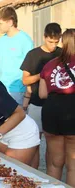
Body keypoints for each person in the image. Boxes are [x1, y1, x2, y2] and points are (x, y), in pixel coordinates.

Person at [20, 23, 62, 169]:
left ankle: (49, 174)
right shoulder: (33, 55)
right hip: (37, 104)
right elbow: (25, 80)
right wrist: (42, 74)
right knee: (34, 141)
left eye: (56, 42)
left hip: (57, 105)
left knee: (53, 144)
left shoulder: (62, 54)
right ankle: (34, 173)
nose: (53, 46)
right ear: (44, 37)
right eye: (50, 42)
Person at [39, 29, 75, 187]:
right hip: (72, 111)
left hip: (52, 112)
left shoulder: (49, 65)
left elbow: (42, 94)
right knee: (73, 165)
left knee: (55, 162)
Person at [0, 7, 33, 106]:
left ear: (10, 22)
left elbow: (31, 68)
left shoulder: (25, 40)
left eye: (0, 23)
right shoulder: (1, 41)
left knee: (18, 120)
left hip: (18, 91)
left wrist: (28, 94)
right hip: (1, 88)